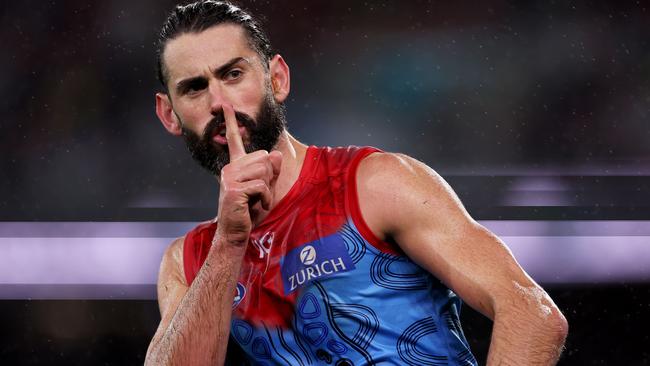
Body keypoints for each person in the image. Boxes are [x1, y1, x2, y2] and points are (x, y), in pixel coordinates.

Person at [145, 1, 568, 365]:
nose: (220, 103)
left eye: (234, 74)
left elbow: (531, 315)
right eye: (195, 88)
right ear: (169, 115)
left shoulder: (375, 184)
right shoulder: (189, 261)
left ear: (277, 79)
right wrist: (230, 242)